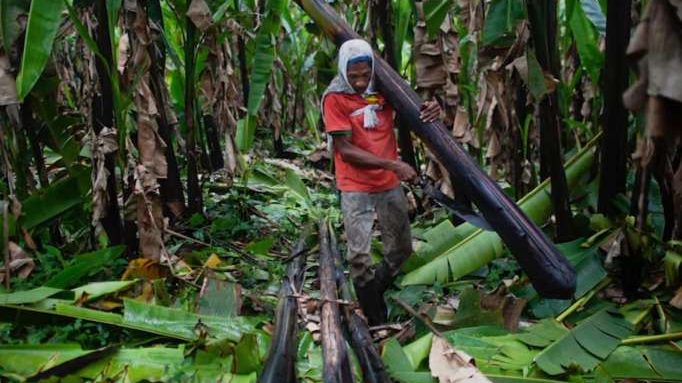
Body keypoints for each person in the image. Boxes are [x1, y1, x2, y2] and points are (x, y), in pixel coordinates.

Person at [322, 39, 441, 325]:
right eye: (354, 77)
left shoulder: (386, 90)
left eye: (365, 74)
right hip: (355, 185)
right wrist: (394, 164)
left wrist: (431, 109)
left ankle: (372, 293)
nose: (361, 82)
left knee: (401, 249)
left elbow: (416, 109)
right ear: (342, 72)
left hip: (387, 183)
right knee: (359, 257)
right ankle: (375, 320)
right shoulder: (334, 97)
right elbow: (345, 149)